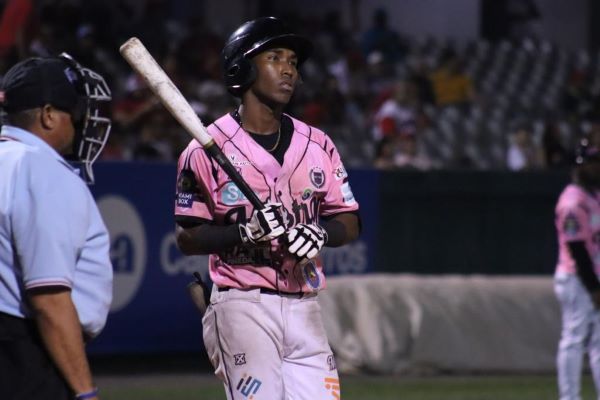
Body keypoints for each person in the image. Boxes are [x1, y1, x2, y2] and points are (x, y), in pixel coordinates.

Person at [174, 16, 361, 400]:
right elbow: (187, 237)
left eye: (293, 61)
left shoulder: (318, 144)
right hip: (243, 305)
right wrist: (245, 231)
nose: (288, 69)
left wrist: (322, 232)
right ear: (242, 67)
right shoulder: (204, 149)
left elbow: (350, 220)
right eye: (274, 58)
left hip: (305, 305)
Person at [0, 54, 113, 399]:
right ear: (48, 115)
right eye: (74, 115)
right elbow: (49, 298)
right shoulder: (40, 169)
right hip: (25, 353)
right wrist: (84, 391)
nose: (80, 126)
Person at [554, 129, 600, 400]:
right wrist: (593, 287)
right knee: (573, 339)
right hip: (576, 278)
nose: (596, 167)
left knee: (598, 343)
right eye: (591, 163)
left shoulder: (593, 196)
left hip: (591, 276)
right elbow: (576, 247)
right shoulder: (573, 201)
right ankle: (569, 397)